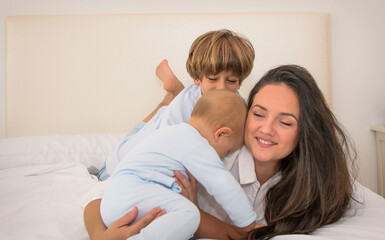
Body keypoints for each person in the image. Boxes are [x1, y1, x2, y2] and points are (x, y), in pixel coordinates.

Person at [83, 64, 358, 240]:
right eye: (258, 114)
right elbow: (99, 193)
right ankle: (170, 98)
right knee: (140, 132)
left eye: (285, 122)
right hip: (129, 164)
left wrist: (200, 216)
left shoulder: (311, 182)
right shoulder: (211, 153)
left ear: (305, 131)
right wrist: (99, 235)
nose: (266, 129)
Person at [98, 29, 255, 180]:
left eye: (232, 81)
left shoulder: (239, 105)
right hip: (116, 168)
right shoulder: (182, 112)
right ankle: (170, 98)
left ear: (240, 83)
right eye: (213, 79)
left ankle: (172, 95)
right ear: (196, 79)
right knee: (145, 129)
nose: (222, 88)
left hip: (174, 109)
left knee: (163, 112)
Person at [100, 90, 257, 240]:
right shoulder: (196, 144)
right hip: (130, 196)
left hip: (114, 200)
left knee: (176, 223)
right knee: (189, 213)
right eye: (228, 151)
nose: (223, 157)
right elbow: (222, 184)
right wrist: (248, 222)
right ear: (221, 134)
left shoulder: (174, 133)